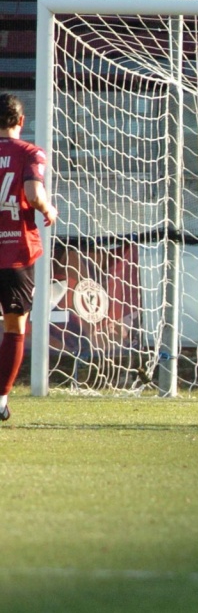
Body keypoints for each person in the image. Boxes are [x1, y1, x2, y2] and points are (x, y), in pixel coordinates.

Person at [0, 93, 59, 422]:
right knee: (14, 327)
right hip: (16, 254)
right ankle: (0, 400)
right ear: (21, 122)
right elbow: (34, 195)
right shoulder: (30, 153)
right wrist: (48, 208)